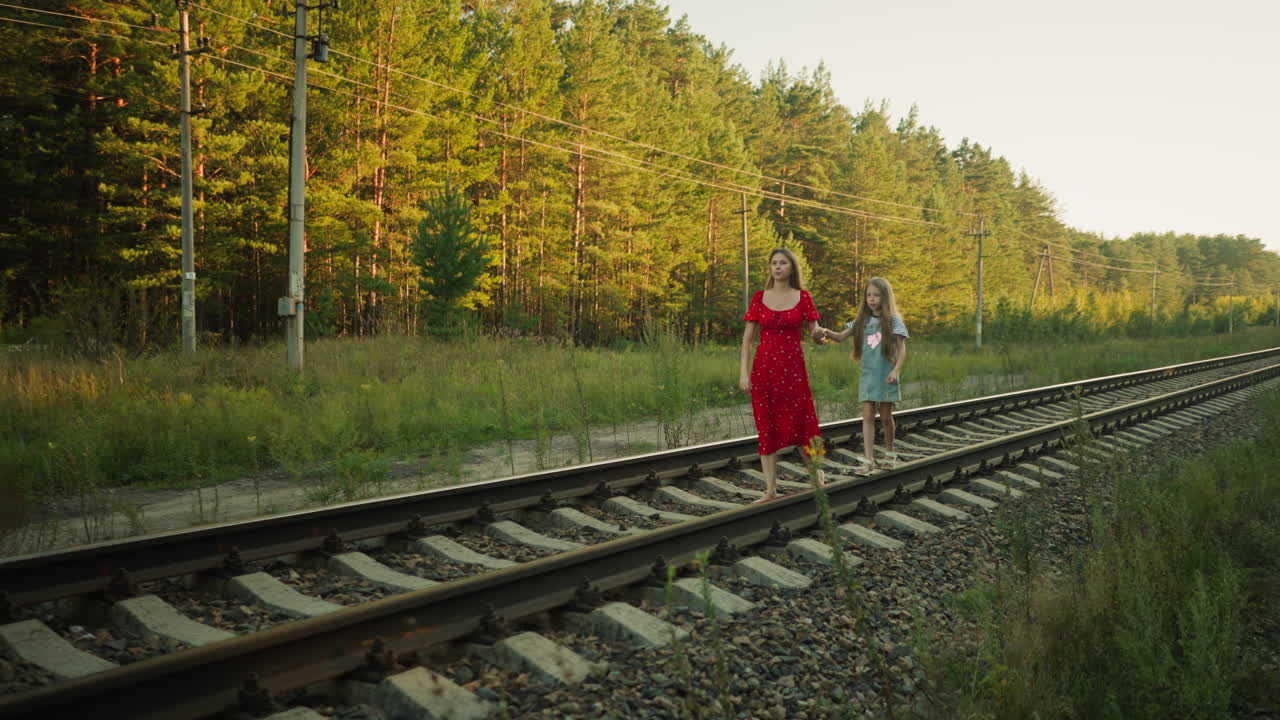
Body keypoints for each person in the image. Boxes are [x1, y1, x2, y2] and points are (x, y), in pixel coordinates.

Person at [739, 248, 824, 502]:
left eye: (783, 263)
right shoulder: (758, 298)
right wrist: (743, 373)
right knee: (766, 426)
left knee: (805, 423)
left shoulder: (803, 297)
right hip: (764, 370)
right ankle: (770, 489)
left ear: (791, 268)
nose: (777, 267)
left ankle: (817, 476)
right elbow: (747, 341)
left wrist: (820, 334)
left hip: (794, 372)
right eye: (774, 263)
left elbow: (815, 333)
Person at [814, 276, 908, 472]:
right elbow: (840, 337)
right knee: (866, 415)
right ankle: (868, 459)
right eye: (869, 295)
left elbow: (902, 349)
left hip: (886, 375)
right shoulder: (861, 320)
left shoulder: (893, 320)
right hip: (868, 375)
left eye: (876, 295)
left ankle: (890, 451)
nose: (872, 299)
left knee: (885, 417)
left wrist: (896, 370)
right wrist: (825, 331)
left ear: (885, 297)